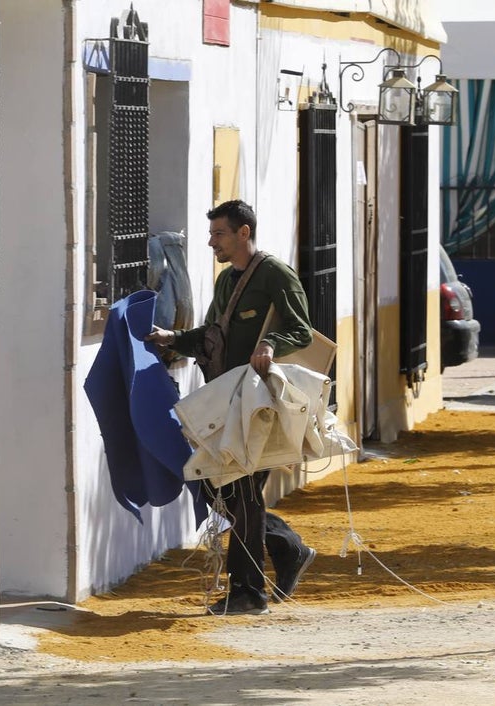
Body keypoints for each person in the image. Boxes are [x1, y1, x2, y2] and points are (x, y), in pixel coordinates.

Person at [146, 199, 318, 615]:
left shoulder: (275, 274)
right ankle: (286, 546)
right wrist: (173, 339)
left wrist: (271, 343)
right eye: (211, 234)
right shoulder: (227, 281)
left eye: (219, 234)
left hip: (261, 406)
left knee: (241, 492)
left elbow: (301, 330)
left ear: (244, 233)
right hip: (228, 403)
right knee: (219, 487)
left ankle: (248, 592)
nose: (211, 242)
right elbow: (212, 335)